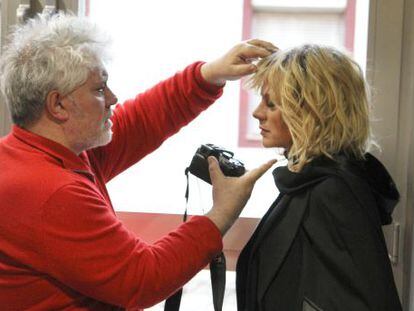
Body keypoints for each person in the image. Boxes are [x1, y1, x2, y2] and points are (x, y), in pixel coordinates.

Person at [0, 13, 277, 310]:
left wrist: (210, 75)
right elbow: (143, 278)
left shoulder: (37, 153)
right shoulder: (52, 192)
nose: (113, 98)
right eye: (99, 89)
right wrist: (220, 214)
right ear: (58, 105)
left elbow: (141, 122)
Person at [236, 44, 402, 311]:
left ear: (310, 111)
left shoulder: (334, 191)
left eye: (271, 103)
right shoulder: (307, 182)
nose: (257, 113)